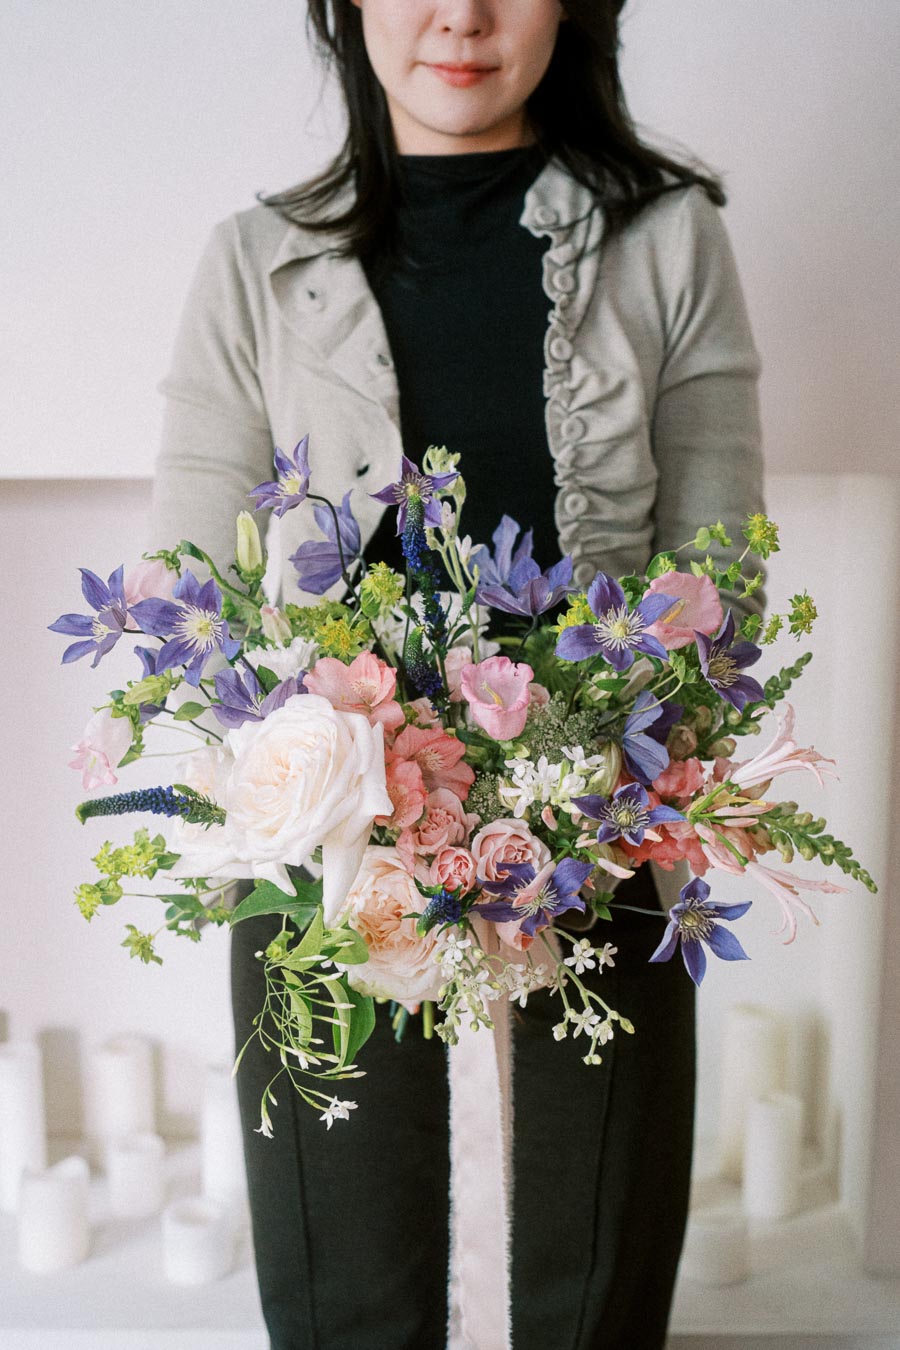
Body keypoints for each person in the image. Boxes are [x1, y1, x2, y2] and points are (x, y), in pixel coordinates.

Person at [149, 2, 766, 1346]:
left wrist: (553, 771)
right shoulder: (251, 267)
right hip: (325, 848)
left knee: (590, 1295)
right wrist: (371, 781)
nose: (462, 14)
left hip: (603, 837)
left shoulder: (672, 243)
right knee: (343, 1300)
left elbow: (724, 596)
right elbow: (185, 608)